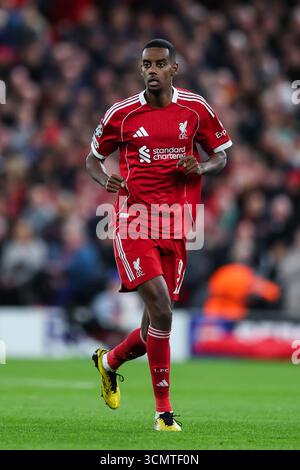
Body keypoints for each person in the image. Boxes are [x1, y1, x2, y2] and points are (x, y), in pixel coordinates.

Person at [86, 38, 232, 431]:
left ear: (173, 69)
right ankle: (164, 413)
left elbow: (221, 154)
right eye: (146, 64)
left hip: (176, 223)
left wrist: (201, 167)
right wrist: (105, 181)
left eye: (160, 64)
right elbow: (93, 158)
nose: (152, 70)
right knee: (163, 311)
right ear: (141, 69)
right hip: (132, 221)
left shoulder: (195, 109)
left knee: (157, 321)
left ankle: (110, 361)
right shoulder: (122, 113)